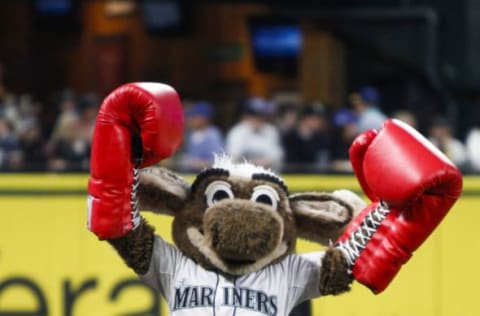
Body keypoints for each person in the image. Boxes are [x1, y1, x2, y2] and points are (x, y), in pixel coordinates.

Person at [225, 97, 284, 171]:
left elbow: (278, 157)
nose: (259, 119)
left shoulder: (271, 130)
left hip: (268, 175)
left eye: (261, 116)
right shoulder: (237, 132)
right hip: (242, 175)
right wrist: (253, 163)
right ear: (246, 116)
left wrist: (263, 162)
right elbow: (232, 157)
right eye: (255, 116)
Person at [176, 101, 224, 172]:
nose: (191, 119)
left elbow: (218, 161)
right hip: (190, 174)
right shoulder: (191, 133)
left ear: (204, 118)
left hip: (206, 177)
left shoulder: (213, 134)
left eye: (195, 117)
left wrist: (195, 163)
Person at [282, 103, 331, 173]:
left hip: (317, 176)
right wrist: (305, 138)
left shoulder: (322, 137)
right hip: (294, 177)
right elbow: (290, 161)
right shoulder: (290, 137)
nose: (319, 122)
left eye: (320, 119)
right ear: (304, 119)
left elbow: (323, 160)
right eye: (314, 119)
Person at [329, 108, 359, 173]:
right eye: (341, 129)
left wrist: (344, 165)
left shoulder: (360, 142)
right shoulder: (333, 142)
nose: (344, 131)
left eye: (347, 126)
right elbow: (331, 164)